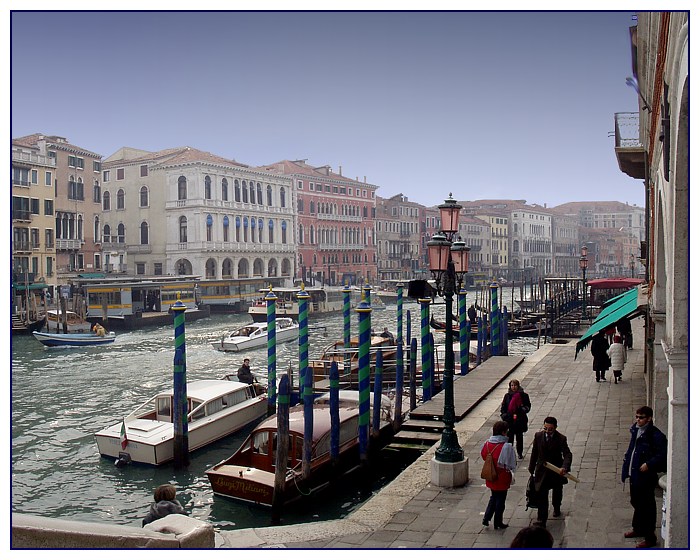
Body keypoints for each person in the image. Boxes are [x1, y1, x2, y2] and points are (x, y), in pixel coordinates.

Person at [621, 406, 667, 548]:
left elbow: (662, 455)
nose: (638, 420)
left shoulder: (656, 435)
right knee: (635, 502)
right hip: (634, 473)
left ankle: (650, 537)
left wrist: (649, 464)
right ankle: (638, 529)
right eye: (637, 417)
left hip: (645, 476)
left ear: (649, 418)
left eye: (641, 417)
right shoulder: (635, 430)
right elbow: (632, 449)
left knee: (647, 507)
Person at [528, 416, 572, 527]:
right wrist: (531, 468)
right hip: (542, 470)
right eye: (545, 428)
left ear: (555, 428)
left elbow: (567, 454)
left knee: (557, 491)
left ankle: (557, 507)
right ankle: (542, 519)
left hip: (556, 470)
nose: (547, 431)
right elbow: (534, 453)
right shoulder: (538, 436)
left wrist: (564, 467)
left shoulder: (561, 438)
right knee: (542, 494)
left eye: (550, 429)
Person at [481, 420, 516, 530]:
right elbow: (511, 464)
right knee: (501, 500)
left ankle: (486, 518)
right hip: (502, 477)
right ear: (503, 432)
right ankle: (498, 522)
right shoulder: (506, 447)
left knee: (493, 497)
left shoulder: (487, 444)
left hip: (491, 475)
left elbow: (483, 456)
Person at [500, 379, 531, 459]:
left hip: (520, 419)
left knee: (519, 437)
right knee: (509, 438)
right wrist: (504, 415)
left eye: (515, 385)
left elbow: (528, 406)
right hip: (509, 420)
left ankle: (519, 452)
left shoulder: (523, 395)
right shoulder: (507, 396)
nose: (513, 387)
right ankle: (509, 453)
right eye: (512, 385)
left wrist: (522, 409)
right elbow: (503, 407)